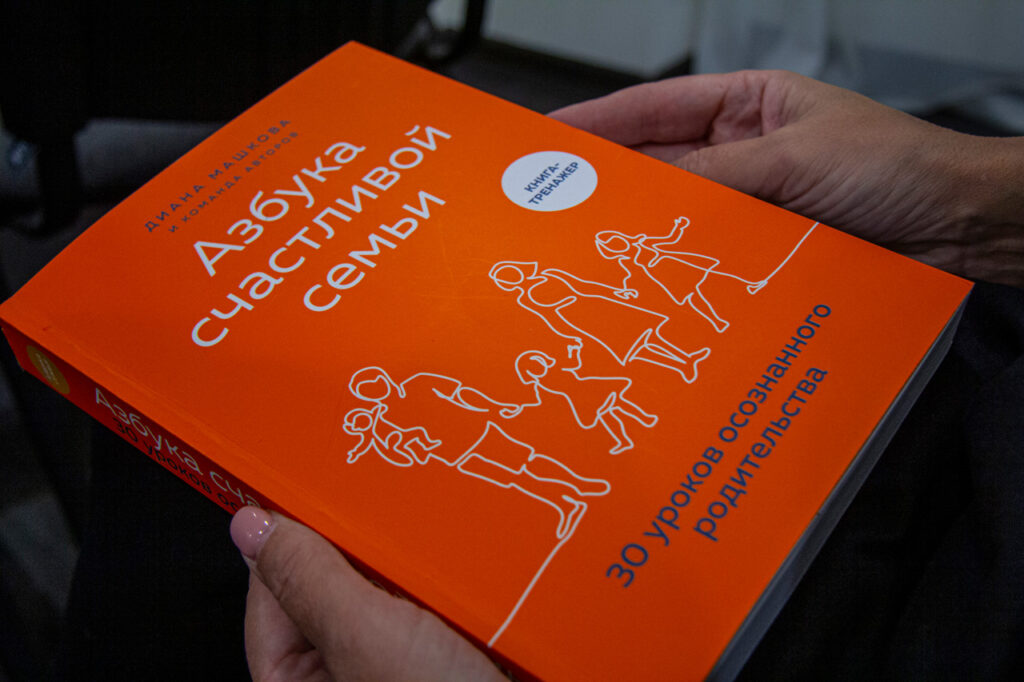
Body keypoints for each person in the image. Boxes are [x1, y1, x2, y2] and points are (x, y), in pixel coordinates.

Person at [229, 70, 1024, 681]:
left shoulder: (498, 331)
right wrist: (983, 206)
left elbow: (484, 380)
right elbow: (457, 405)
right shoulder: (424, 385)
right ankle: (588, 479)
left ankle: (608, 459)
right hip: (957, 382)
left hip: (907, 553)